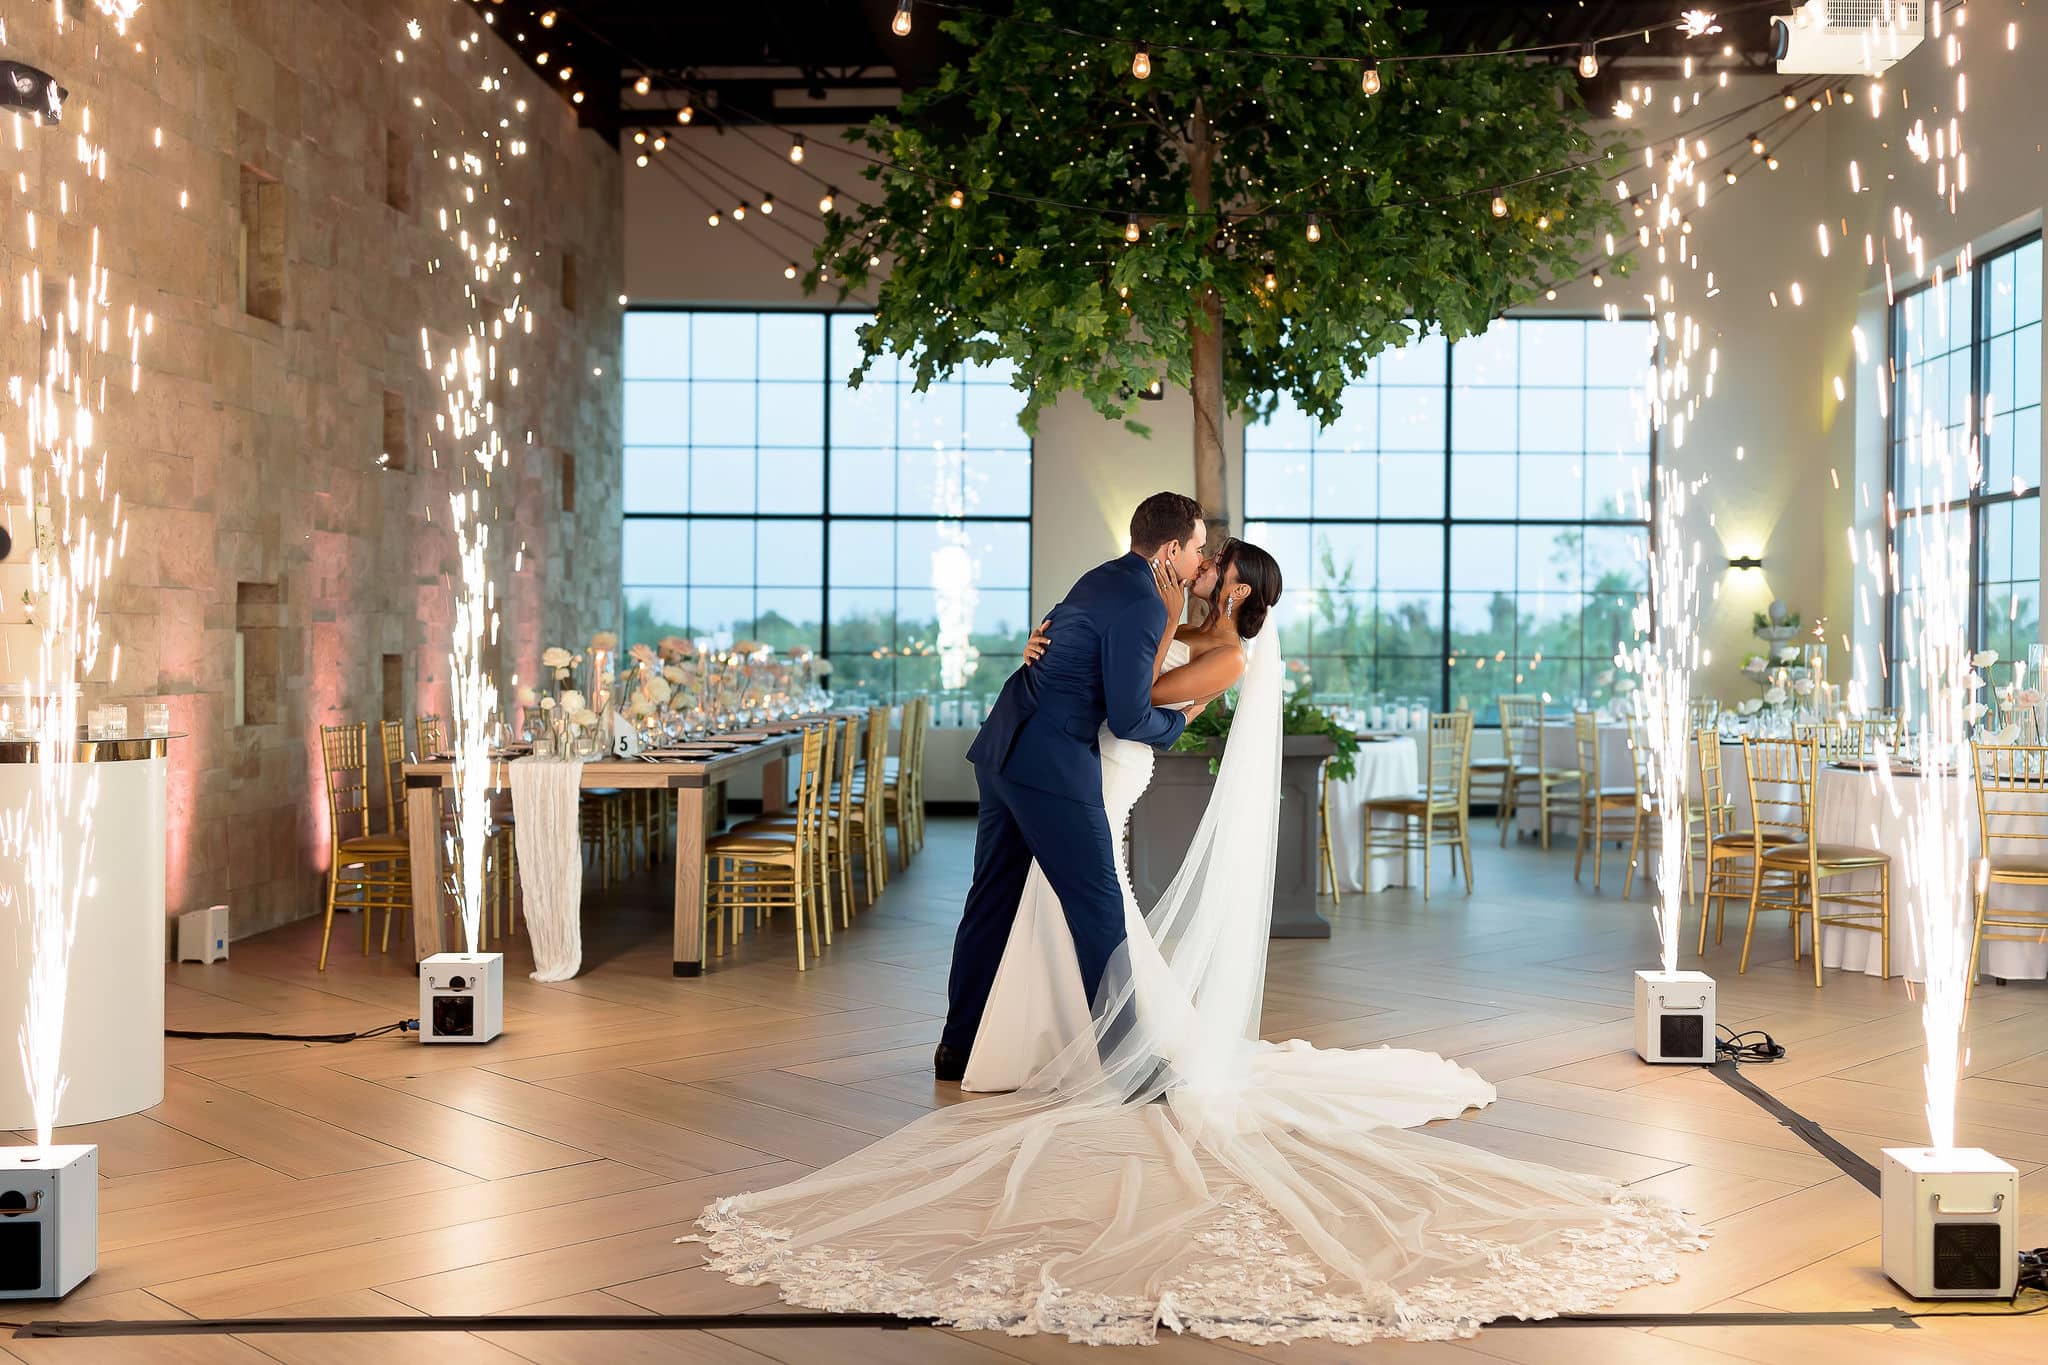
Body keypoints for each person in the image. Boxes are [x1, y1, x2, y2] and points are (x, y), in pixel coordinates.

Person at [688, 531, 1704, 1347]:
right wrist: (1051, 650)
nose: (1206, 566)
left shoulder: (1225, 648)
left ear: (1235, 588)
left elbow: (1142, 711)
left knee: (1092, 908)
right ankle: (1046, 1043)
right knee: (1060, 908)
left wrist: (1096, 681)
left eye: (1219, 566)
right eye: (1204, 556)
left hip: (1102, 771)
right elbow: (1111, 665)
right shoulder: (1163, 611)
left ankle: (1131, 1054)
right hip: (1072, 766)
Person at [935, 491, 1209, 1084]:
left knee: (991, 900)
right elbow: (1131, 716)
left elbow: (1060, 643)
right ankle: (1131, 1066)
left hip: (1005, 745)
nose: (1199, 561)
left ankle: (956, 1049)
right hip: (1052, 766)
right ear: (1170, 548)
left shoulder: (1103, 576)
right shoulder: (1143, 603)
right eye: (1197, 549)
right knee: (1100, 908)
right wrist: (1186, 717)